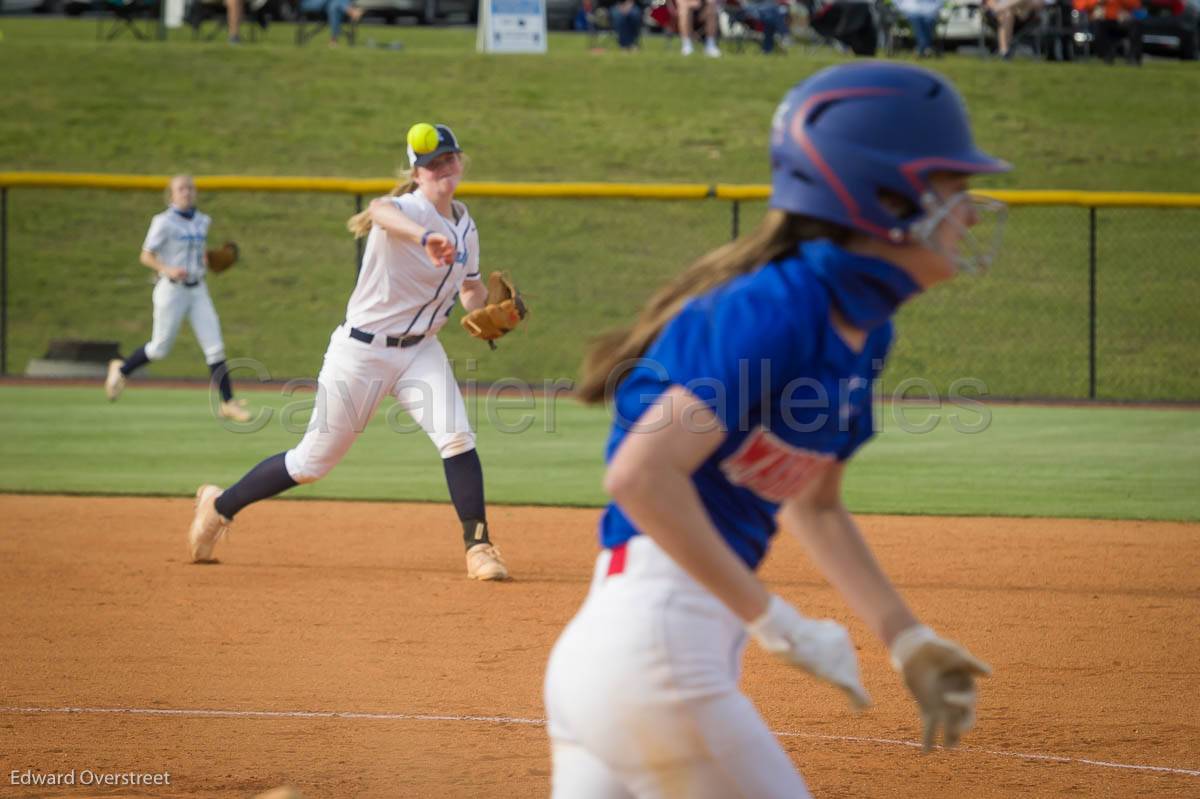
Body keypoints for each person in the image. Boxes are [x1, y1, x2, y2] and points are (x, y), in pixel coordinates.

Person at [544, 62, 1010, 797]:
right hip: (654, 650)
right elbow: (639, 475)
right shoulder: (776, 305)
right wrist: (778, 621)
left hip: (641, 660)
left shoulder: (864, 329)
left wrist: (906, 637)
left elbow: (814, 502)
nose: (973, 212)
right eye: (952, 189)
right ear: (884, 198)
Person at [186, 124, 511, 582]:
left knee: (457, 438)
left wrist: (491, 315)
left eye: (449, 159)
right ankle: (218, 507)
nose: (443, 168)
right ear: (416, 173)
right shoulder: (405, 210)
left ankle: (479, 548)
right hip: (362, 354)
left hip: (421, 352)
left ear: (460, 164)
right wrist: (424, 238)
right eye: (431, 163)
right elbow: (380, 211)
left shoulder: (466, 224)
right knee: (310, 463)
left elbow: (472, 289)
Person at [105, 174, 252, 424]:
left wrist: (206, 258)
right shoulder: (163, 222)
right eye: (181, 188)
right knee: (160, 348)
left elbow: (194, 252)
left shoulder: (203, 221)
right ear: (171, 195)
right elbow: (146, 256)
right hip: (171, 289)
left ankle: (228, 403)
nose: (187, 192)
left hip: (198, 290)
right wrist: (167, 269)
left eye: (190, 188)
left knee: (215, 347)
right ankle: (121, 369)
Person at [1075, 0, 1144, 64]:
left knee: (1136, 25)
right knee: (1097, 25)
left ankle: (1134, 57)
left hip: (1122, 20)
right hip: (1102, 20)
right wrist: (1097, 2)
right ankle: (1106, 56)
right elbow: (1079, 5)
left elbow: (1136, 4)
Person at [300, 0, 365, 45]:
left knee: (334, 6)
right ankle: (351, 11)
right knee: (336, 3)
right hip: (310, 3)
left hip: (328, 5)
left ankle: (333, 41)